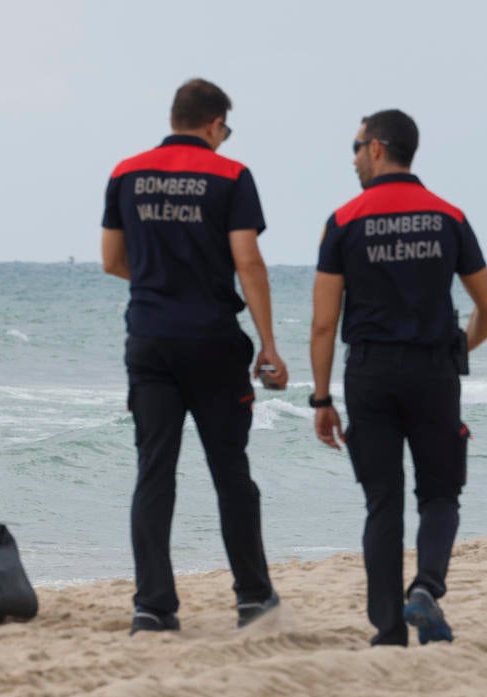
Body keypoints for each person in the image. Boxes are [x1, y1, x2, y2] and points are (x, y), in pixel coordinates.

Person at [309, 109, 487, 646]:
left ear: (376, 148)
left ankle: (389, 631)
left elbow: (324, 322)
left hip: (368, 373)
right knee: (440, 495)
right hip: (433, 370)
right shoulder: (447, 216)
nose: (351, 158)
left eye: (354, 147)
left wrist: (321, 397)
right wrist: (457, 348)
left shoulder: (344, 220)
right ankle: (426, 588)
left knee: (382, 501)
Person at [102, 78, 288, 635]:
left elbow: (112, 260)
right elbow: (248, 263)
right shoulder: (231, 176)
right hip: (212, 340)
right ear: (213, 124)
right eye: (224, 130)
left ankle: (153, 607)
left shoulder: (125, 173)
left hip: (150, 340)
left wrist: (165, 280)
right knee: (231, 473)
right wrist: (270, 345)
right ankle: (253, 598)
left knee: (154, 473)